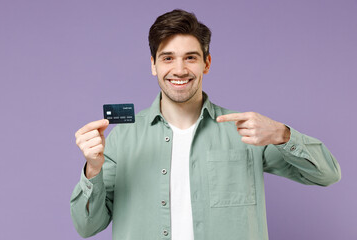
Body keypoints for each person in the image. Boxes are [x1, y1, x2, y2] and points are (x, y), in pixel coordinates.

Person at [70, 9, 341, 240]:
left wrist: (283, 135)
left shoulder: (244, 131)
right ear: (153, 65)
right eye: (167, 58)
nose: (179, 70)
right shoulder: (123, 138)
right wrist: (93, 168)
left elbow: (327, 175)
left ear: (206, 63)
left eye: (190, 57)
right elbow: (87, 227)